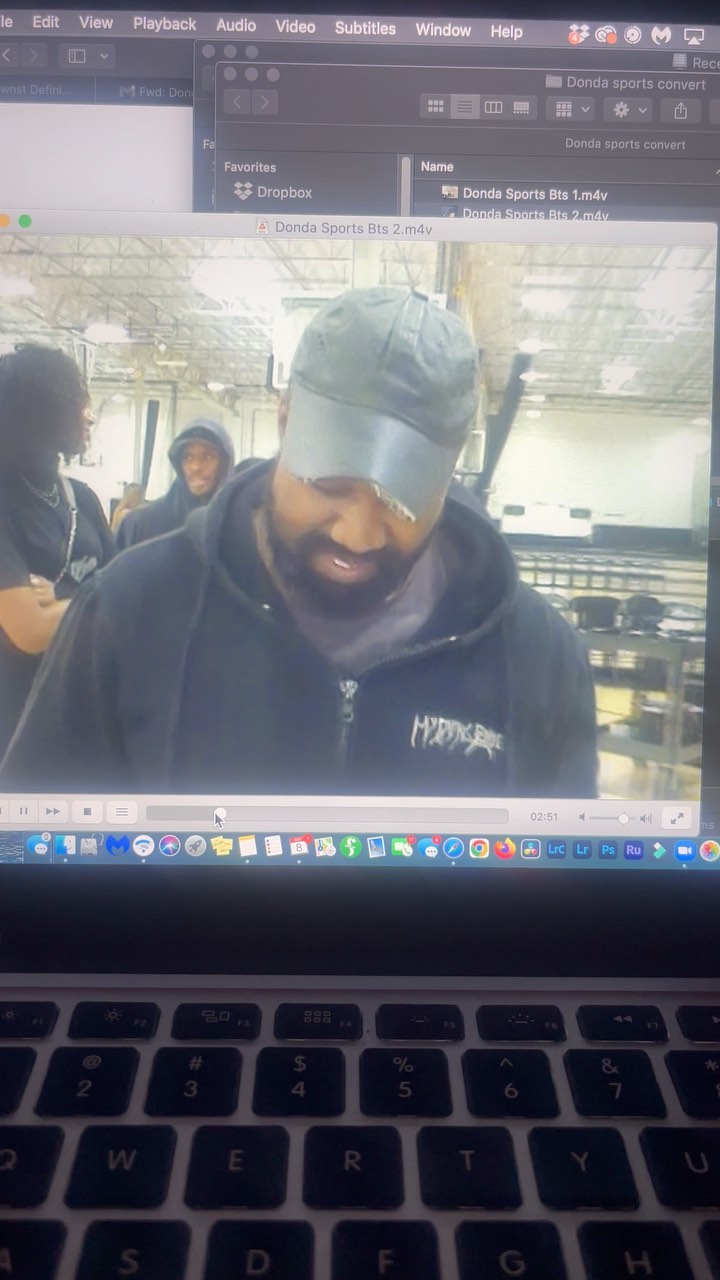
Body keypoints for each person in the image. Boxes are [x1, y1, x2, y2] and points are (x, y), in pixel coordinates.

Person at [1, 289, 598, 797]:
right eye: (329, 483)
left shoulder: (536, 657)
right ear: (284, 419)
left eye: (403, 500)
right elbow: (35, 852)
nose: (357, 534)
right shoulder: (130, 610)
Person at [0, 345, 114, 757]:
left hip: (87, 710)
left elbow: (127, 596)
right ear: (41, 410)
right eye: (78, 402)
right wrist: (96, 597)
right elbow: (29, 632)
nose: (89, 415)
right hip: (17, 723)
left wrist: (65, 599)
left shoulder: (82, 499)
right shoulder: (6, 503)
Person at [116, 419, 235, 549]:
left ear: (225, 463)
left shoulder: (241, 526)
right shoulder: (140, 524)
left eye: (208, 457)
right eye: (188, 457)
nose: (196, 467)